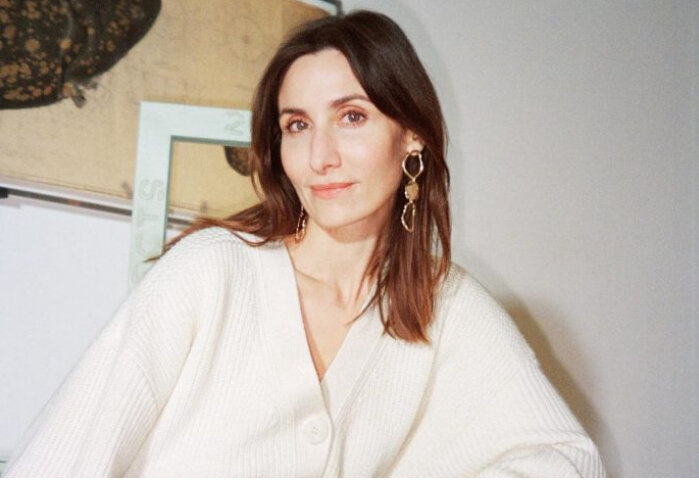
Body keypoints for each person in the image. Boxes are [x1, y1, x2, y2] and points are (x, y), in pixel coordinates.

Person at [4, 10, 605, 477]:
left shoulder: (443, 305)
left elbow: (567, 463)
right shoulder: (212, 273)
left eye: (351, 116)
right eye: (297, 125)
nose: (320, 156)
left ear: (411, 135)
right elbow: (58, 462)